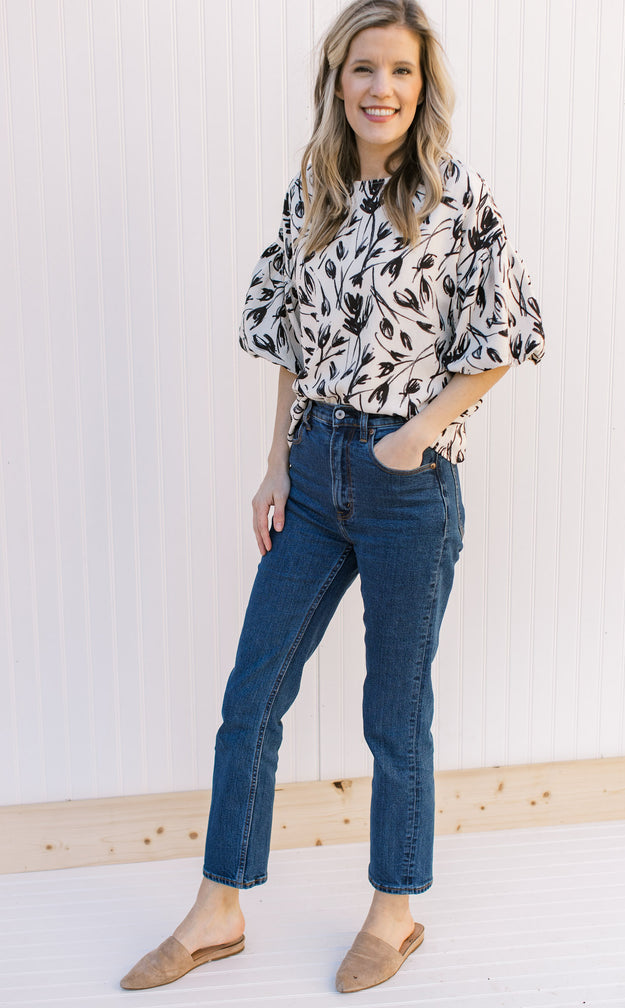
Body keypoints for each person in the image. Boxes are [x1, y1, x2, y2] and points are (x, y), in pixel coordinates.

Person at [121, 0, 544, 994]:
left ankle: (394, 915)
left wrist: (411, 437)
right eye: (363, 68)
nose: (379, 89)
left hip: (409, 489)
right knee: (251, 695)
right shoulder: (310, 193)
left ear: (422, 85)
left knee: (395, 717)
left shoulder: (457, 197)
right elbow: (289, 342)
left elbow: (508, 336)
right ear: (336, 80)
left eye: (398, 71)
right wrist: (276, 464)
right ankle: (218, 906)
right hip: (312, 480)